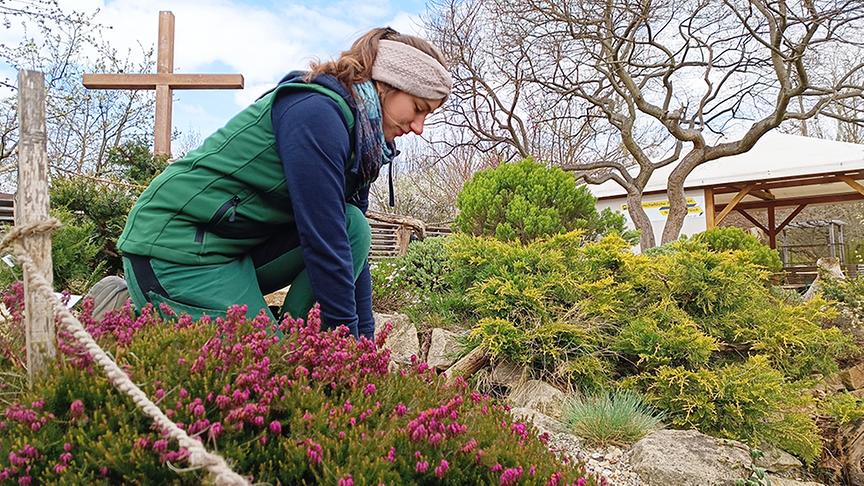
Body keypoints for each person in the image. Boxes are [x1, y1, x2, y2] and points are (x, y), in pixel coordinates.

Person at [112, 27, 451, 340]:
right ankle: (115, 306)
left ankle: (291, 342)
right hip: (175, 248)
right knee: (266, 368)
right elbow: (324, 243)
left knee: (355, 226)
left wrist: (364, 342)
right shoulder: (316, 113)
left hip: (236, 248)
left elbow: (350, 252)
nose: (419, 126)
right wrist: (344, 348)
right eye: (418, 108)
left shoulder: (363, 143)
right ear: (385, 85)